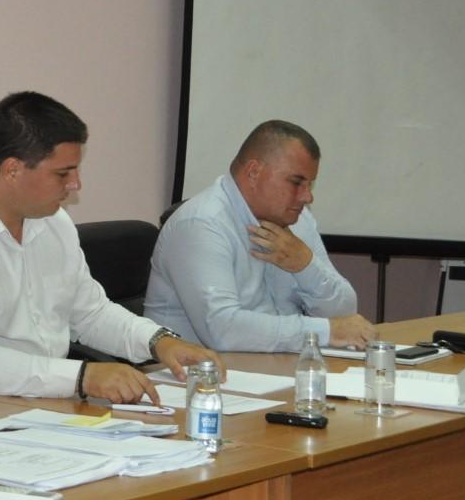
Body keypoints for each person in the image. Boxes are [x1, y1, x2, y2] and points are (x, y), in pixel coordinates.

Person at [0, 91, 220, 401]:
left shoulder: (53, 222)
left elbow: (89, 313)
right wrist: (81, 377)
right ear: (12, 170)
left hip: (44, 408)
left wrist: (159, 342)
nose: (76, 184)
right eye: (63, 174)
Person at [144, 120, 371, 352]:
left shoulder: (299, 219)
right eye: (296, 182)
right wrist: (324, 332)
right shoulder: (201, 224)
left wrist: (306, 266)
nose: (307, 197)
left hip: (270, 364)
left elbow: (345, 313)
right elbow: (223, 330)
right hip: (198, 371)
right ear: (254, 172)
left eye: (309, 185)